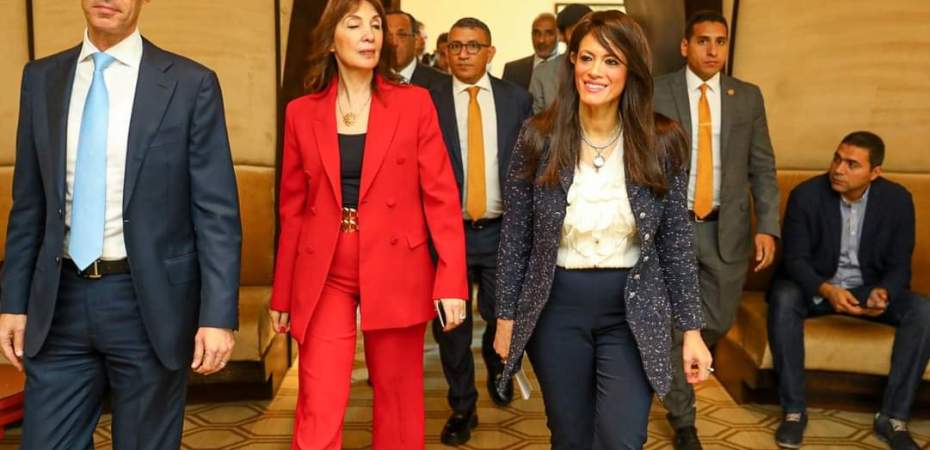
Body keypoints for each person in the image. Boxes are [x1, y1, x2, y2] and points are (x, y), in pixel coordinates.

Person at [0, 0, 242, 447]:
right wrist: (12, 302)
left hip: (148, 304)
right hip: (58, 302)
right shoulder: (42, 79)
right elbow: (29, 204)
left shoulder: (190, 84)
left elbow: (216, 213)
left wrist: (217, 316)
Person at [492, 11, 713, 449]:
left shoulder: (662, 141)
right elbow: (515, 237)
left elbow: (675, 242)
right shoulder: (537, 137)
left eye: (611, 61)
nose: (595, 71)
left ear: (632, 70)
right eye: (587, 57)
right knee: (570, 438)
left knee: (621, 438)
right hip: (557, 308)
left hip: (633, 309)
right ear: (572, 61)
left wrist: (692, 331)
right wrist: (505, 317)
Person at [268, 0, 469, 448]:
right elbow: (293, 209)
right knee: (318, 400)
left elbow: (441, 197)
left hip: (398, 266)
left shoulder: (414, 103)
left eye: (376, 25)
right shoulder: (301, 112)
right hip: (325, 270)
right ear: (330, 40)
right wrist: (282, 291)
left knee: (398, 404)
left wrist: (452, 280)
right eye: (354, 24)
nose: (369, 34)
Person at [653, 11, 780, 449]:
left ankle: (675, 361)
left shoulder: (747, 97)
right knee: (676, 327)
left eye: (720, 42)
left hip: (727, 230)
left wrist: (768, 226)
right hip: (672, 226)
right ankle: (683, 418)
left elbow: (762, 166)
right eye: (703, 41)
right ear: (685, 46)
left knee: (718, 319)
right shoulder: (656, 91)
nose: (712, 50)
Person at [768, 131, 930, 450]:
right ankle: (794, 412)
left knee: (923, 310)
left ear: (875, 172)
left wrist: (883, 293)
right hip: (816, 288)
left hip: (866, 289)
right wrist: (827, 290)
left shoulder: (898, 200)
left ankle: (893, 418)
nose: (839, 169)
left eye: (852, 164)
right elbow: (795, 260)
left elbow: (900, 266)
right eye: (837, 159)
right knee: (784, 296)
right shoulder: (806, 195)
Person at [428, 16, 532, 446]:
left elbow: (529, 164)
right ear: (445, 52)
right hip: (446, 234)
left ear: (490, 52)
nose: (464, 53)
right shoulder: (427, 100)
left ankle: (495, 355)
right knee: (450, 326)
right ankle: (462, 407)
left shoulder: (517, 100)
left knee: (499, 312)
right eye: (456, 46)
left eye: (474, 46)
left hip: (501, 232)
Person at [528, 3, 591, 113]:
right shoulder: (543, 73)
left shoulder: (606, 70)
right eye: (573, 31)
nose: (581, 37)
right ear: (561, 35)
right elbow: (535, 118)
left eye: (586, 32)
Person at [385, 10, 447, 88]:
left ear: (415, 40)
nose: (394, 42)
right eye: (387, 35)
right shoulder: (373, 80)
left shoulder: (442, 83)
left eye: (402, 35)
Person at [502, 13, 559, 90]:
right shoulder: (512, 70)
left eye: (549, 33)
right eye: (536, 33)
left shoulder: (570, 69)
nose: (541, 40)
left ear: (559, 35)